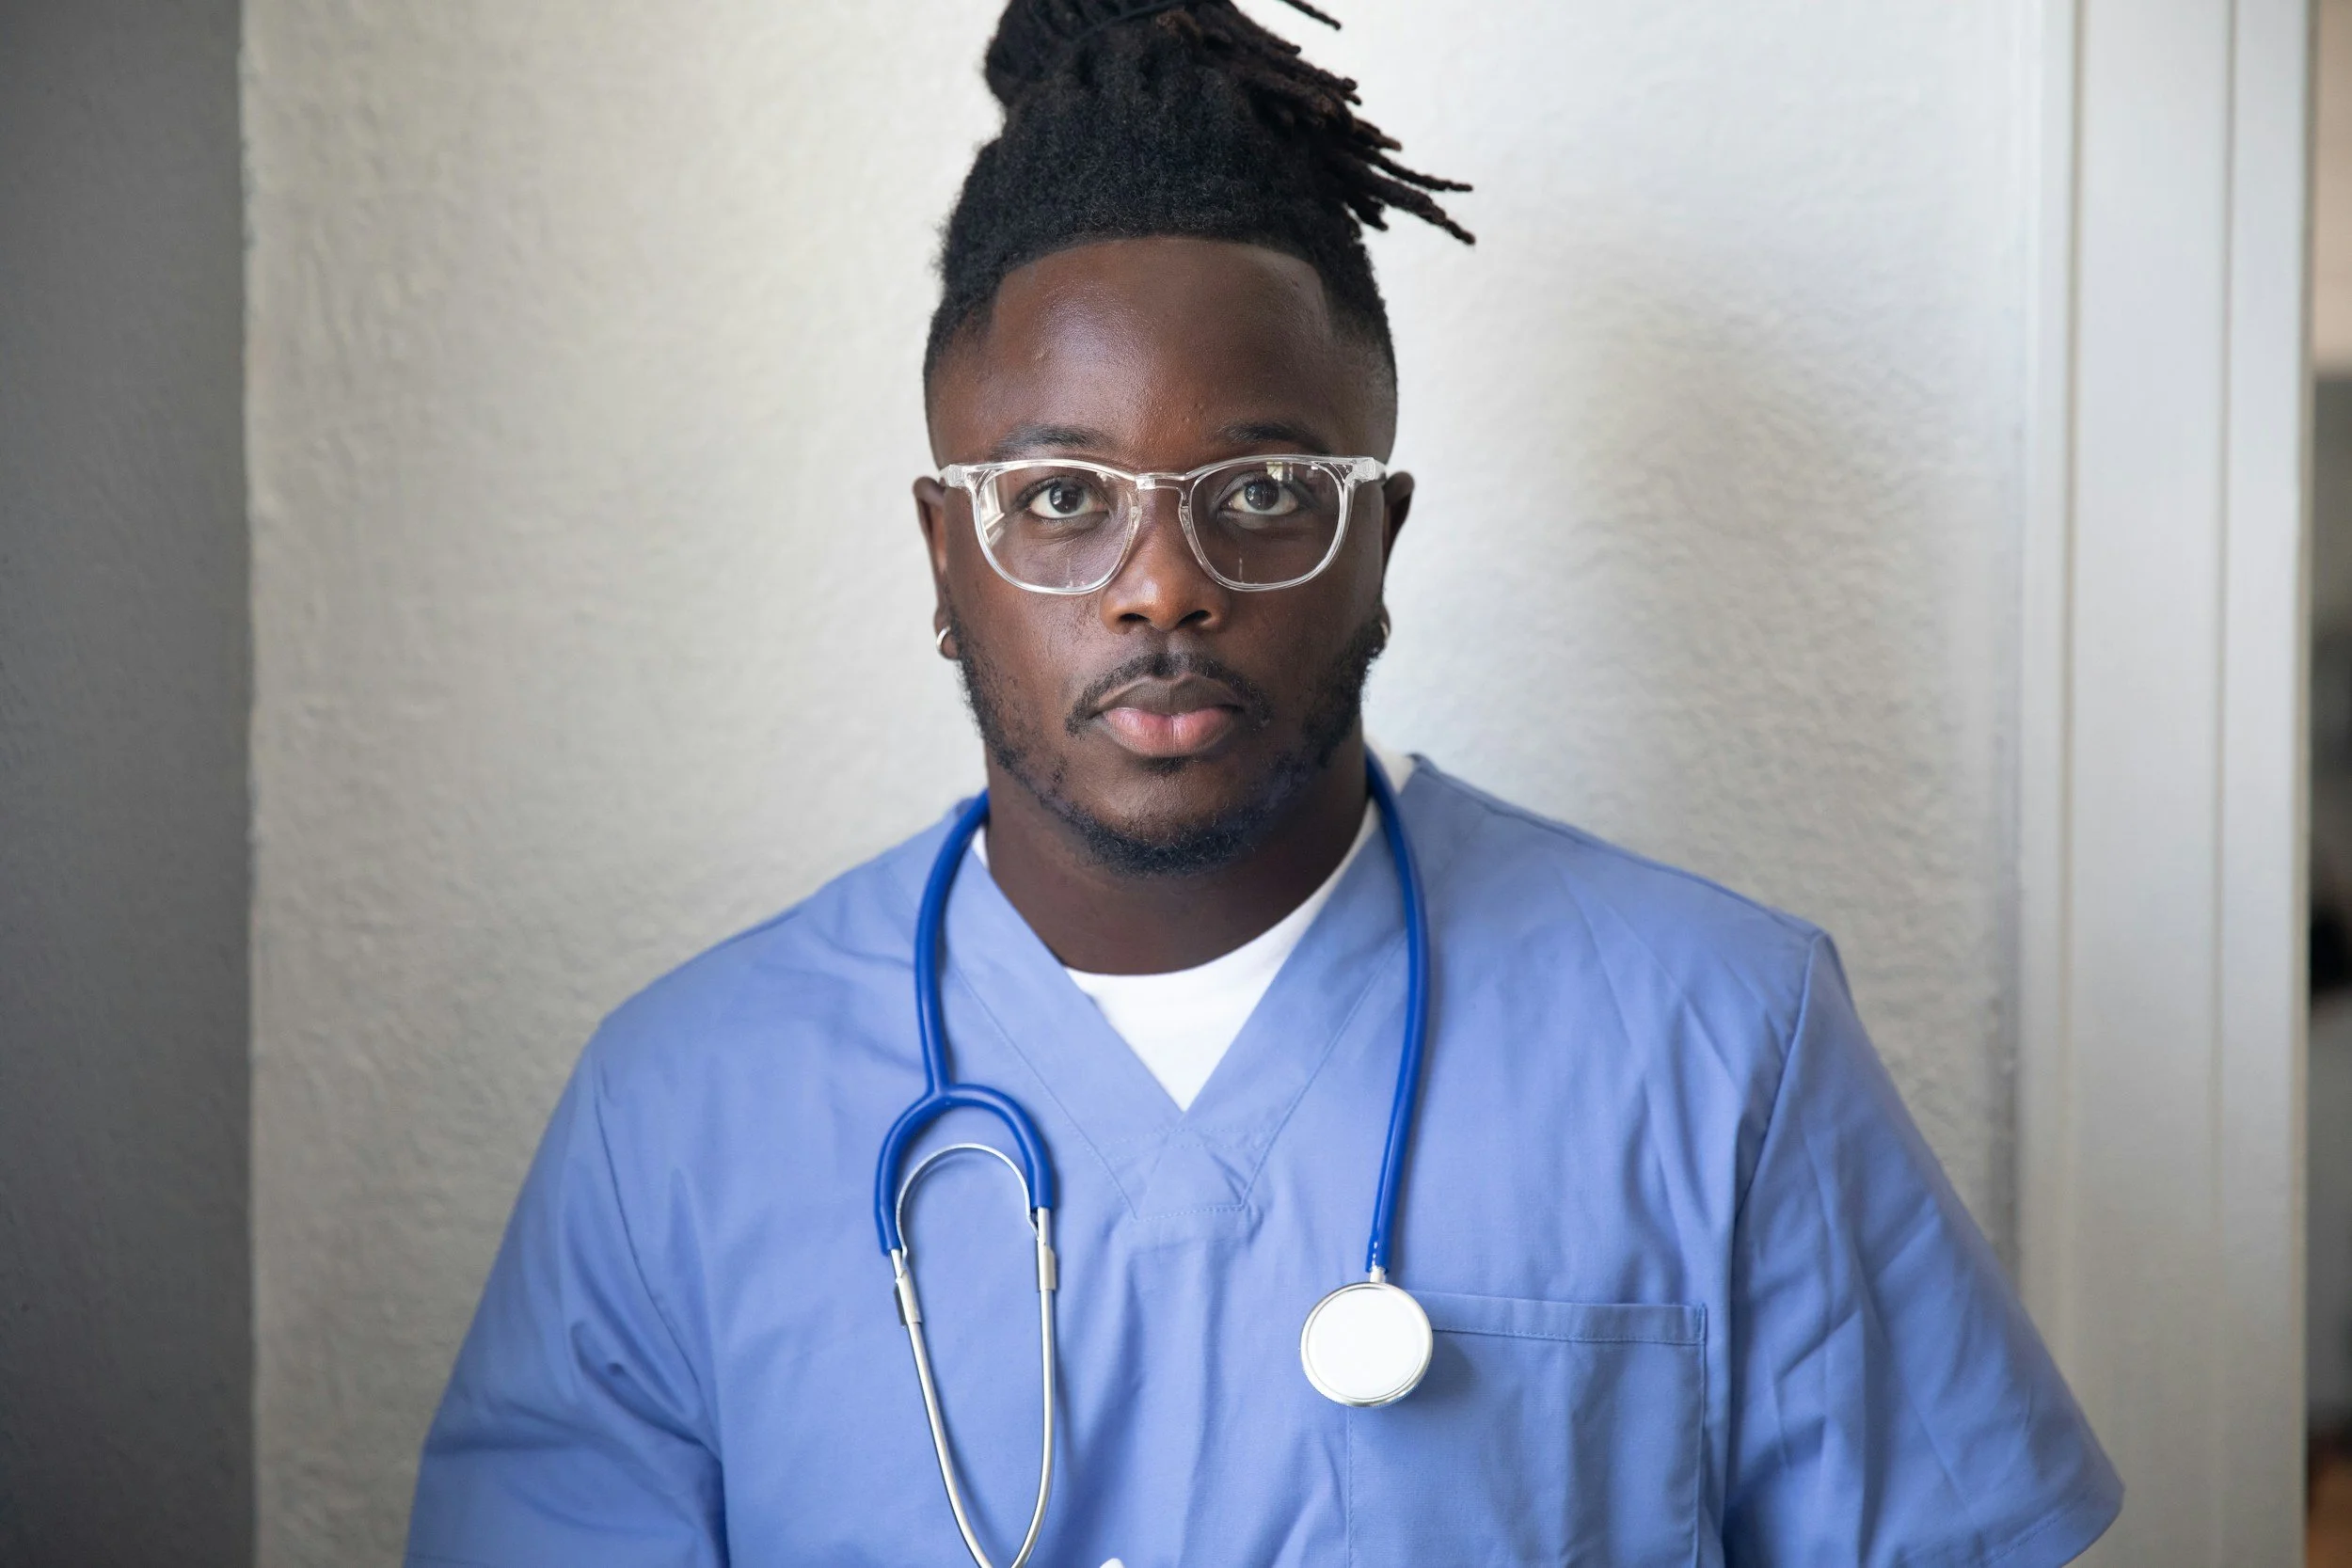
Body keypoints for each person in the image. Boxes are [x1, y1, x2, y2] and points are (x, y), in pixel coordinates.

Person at [405, 2, 2123, 1563]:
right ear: (945, 557)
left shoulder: (1718, 1042)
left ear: (1378, 541)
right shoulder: (681, 1111)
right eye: (1061, 497)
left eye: (1268, 488)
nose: (1164, 584)